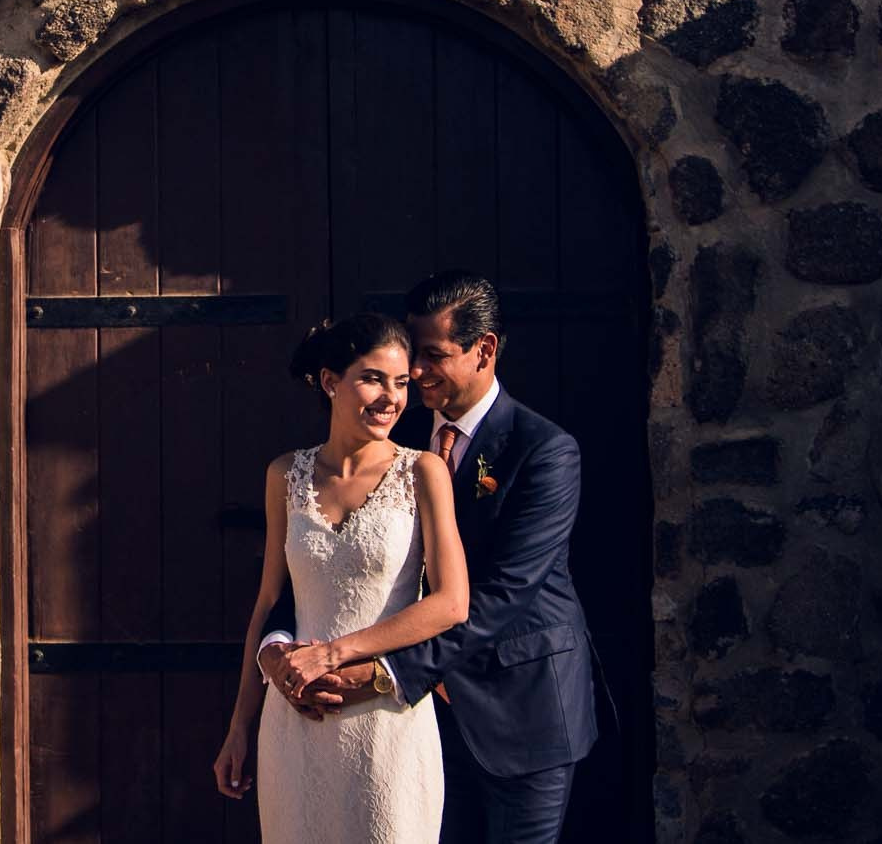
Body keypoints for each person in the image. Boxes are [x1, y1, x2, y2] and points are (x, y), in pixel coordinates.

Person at [257, 272, 599, 844]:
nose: (412, 375)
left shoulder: (543, 450)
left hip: (518, 710)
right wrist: (277, 655)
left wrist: (386, 674)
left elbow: (501, 596)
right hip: (409, 725)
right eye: (412, 358)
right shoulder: (392, 429)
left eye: (433, 356)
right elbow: (318, 569)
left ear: (484, 350)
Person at [213, 313, 470, 843]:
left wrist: (334, 654)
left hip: (387, 724)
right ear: (331, 381)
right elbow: (268, 601)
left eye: (401, 383)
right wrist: (240, 724)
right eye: (373, 378)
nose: (391, 398)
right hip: (296, 725)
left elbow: (450, 603)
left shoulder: (423, 471)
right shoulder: (284, 474)